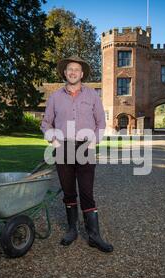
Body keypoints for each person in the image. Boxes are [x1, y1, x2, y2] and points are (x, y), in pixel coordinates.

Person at [40, 56, 113, 253]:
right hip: (63, 148)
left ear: (82, 74)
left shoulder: (92, 96)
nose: (73, 72)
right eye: (69, 69)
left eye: (76, 70)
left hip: (85, 147)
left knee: (87, 193)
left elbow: (101, 123)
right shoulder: (55, 97)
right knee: (69, 191)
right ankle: (72, 230)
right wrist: (53, 141)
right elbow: (46, 123)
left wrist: (93, 143)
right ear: (65, 73)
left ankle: (94, 235)